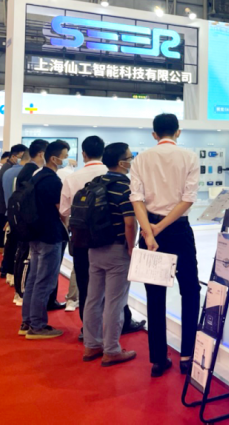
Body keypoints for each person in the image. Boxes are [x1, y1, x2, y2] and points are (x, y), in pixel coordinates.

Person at [130, 113, 201, 377]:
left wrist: (150, 232)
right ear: (178, 132)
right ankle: (187, 355)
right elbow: (188, 199)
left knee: (155, 293)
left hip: (149, 230)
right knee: (190, 290)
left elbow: (136, 198)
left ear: (154, 134)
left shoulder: (141, 158)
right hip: (179, 229)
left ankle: (159, 359)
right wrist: (160, 227)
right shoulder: (189, 157)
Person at [82, 143, 138, 367]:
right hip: (116, 249)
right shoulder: (125, 186)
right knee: (115, 302)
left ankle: (91, 345)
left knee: (93, 299)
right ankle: (112, 350)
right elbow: (129, 222)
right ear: (122, 163)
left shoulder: (96, 182)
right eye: (130, 157)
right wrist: (131, 247)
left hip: (94, 247)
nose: (131, 160)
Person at [19, 140, 70, 340]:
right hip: (49, 234)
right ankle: (38, 325)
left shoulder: (37, 176)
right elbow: (62, 211)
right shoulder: (53, 181)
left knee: (33, 279)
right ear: (54, 158)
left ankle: (27, 321)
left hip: (35, 233)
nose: (66, 159)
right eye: (64, 156)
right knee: (44, 281)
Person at [60, 136, 107, 317]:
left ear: (83, 154)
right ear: (103, 152)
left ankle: (86, 326)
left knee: (84, 281)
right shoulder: (112, 175)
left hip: (81, 236)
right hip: (107, 236)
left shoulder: (72, 178)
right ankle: (112, 325)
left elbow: (64, 210)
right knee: (110, 283)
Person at [0, 144, 27, 264]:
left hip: (5, 207)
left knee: (8, 238)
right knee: (10, 239)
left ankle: (5, 264)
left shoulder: (8, 169)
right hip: (7, 208)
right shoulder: (11, 170)